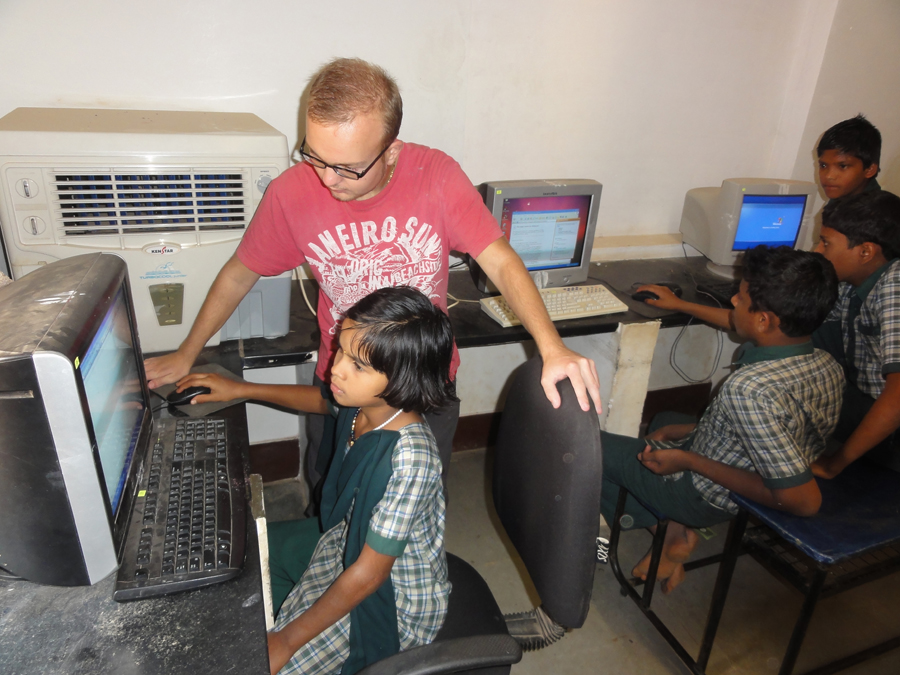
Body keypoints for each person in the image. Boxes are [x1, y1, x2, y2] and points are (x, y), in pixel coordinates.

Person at [144, 57, 601, 488]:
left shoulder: (437, 177)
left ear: (391, 151)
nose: (328, 179)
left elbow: (499, 259)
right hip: (345, 377)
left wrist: (551, 347)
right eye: (314, 155)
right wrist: (187, 353)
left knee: (414, 501)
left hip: (424, 382)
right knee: (331, 489)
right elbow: (238, 275)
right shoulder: (290, 194)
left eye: (348, 167)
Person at [176, 286, 455, 675]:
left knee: (270, 660)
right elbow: (319, 400)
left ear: (402, 380)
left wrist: (287, 640)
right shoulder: (363, 404)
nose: (336, 368)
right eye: (340, 350)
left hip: (391, 600)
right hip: (344, 541)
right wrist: (242, 390)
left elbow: (369, 574)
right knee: (237, 557)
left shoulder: (411, 459)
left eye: (358, 365)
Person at [608, 246, 843, 593]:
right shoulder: (826, 363)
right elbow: (777, 430)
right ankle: (674, 535)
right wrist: (688, 430)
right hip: (746, 465)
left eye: (742, 298)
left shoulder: (749, 389)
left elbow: (804, 502)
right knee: (665, 420)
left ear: (764, 320)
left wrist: (688, 460)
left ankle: (670, 526)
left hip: (707, 495)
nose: (733, 300)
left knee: (588, 450)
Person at [807, 191, 900, 478]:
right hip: (865, 394)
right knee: (781, 341)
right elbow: (789, 325)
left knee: (775, 389)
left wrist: (834, 464)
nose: (818, 251)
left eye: (826, 243)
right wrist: (687, 306)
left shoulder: (894, 287)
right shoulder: (852, 282)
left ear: (865, 252)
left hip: (892, 424)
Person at [817, 114, 882, 200]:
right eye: (823, 165)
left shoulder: (875, 208)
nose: (829, 176)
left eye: (842, 166)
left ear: (870, 170)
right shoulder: (844, 198)